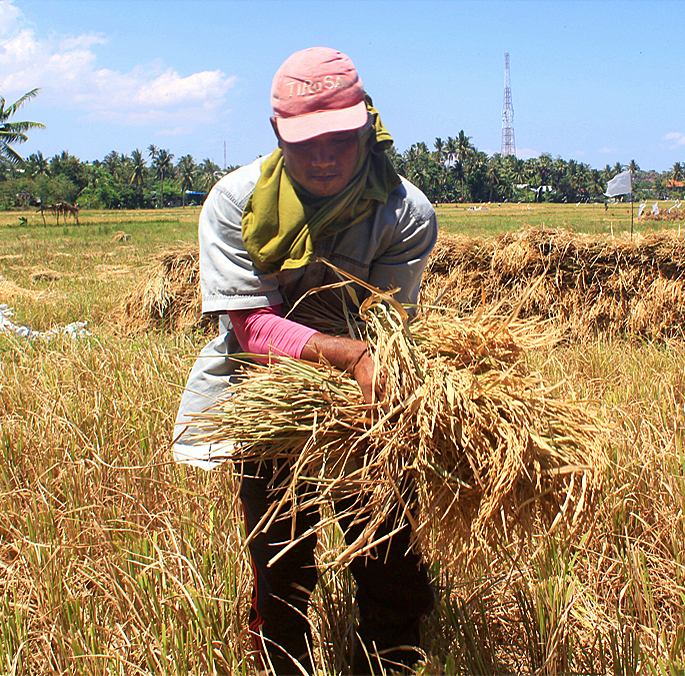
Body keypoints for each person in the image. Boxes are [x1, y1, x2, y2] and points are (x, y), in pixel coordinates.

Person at [172, 47, 438, 675]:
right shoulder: (234, 204)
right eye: (304, 142)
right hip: (265, 394)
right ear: (275, 135)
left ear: (367, 128)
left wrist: (372, 367)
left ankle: (389, 659)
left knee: (388, 551)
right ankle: (281, 662)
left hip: (365, 404)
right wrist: (347, 354)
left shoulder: (404, 213)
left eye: (340, 140)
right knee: (281, 558)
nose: (323, 157)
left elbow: (387, 323)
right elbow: (248, 325)